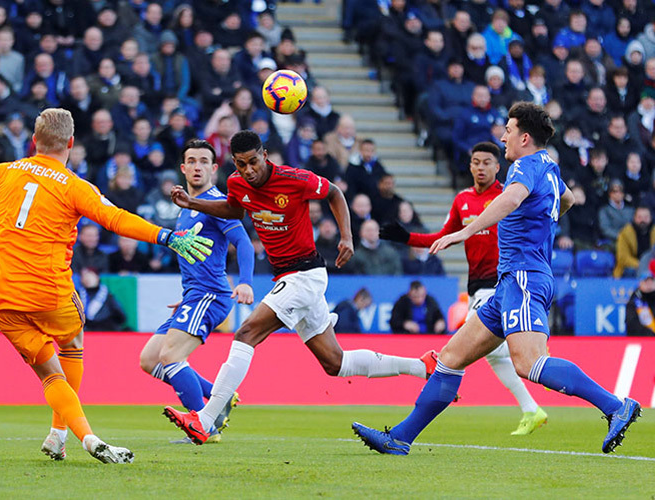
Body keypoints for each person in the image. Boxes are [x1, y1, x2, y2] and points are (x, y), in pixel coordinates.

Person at [0, 108, 214, 464]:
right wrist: (167, 236)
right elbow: (115, 218)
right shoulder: (76, 186)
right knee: (72, 344)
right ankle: (64, 431)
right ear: (71, 143)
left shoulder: (5, 172)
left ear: (34, 141)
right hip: (48, 291)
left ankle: (69, 436)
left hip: (1, 294)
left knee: (50, 374)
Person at [353, 102, 641, 456]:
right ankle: (399, 437)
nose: (502, 136)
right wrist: (543, 221)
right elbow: (565, 199)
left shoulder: (524, 165)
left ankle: (615, 406)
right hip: (510, 284)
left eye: (507, 130)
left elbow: (512, 198)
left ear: (523, 137)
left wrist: (468, 231)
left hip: (524, 277)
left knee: (528, 364)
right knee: (450, 358)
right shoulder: (548, 167)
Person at [161, 130, 438, 445]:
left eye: (253, 162)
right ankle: (421, 365)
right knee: (336, 363)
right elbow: (234, 210)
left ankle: (206, 420)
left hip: (305, 274)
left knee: (246, 333)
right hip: (288, 278)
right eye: (241, 165)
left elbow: (333, 192)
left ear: (264, 156)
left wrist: (347, 236)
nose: (248, 170)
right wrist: (192, 202)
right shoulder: (238, 184)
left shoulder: (294, 179)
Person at [380, 141, 547, 434]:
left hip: (500, 283)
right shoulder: (462, 200)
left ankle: (436, 375)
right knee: (494, 353)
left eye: (486, 162)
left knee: (465, 346)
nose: (480, 168)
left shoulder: (511, 196)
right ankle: (531, 409)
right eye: (475, 162)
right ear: (469, 165)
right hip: (476, 286)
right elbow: (444, 235)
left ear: (498, 167)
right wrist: (407, 238)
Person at [139, 139, 255, 444]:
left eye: (204, 161)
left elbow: (243, 243)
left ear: (214, 169)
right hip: (194, 295)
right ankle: (220, 398)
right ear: (183, 168)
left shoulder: (216, 204)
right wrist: (189, 293)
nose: (197, 167)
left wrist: (245, 281)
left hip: (211, 295)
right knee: (149, 359)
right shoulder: (186, 208)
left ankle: (203, 425)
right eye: (191, 161)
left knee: (171, 355)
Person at [625, 261, 655, 336]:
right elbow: (632, 324)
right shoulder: (634, 300)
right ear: (640, 283)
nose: (649, 283)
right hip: (641, 340)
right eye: (646, 281)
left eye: (651, 280)